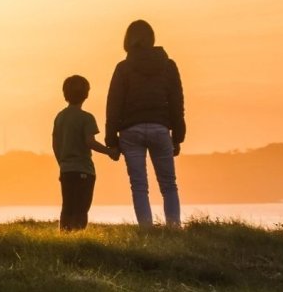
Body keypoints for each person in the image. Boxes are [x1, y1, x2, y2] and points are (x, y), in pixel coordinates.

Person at [105, 20, 185, 228]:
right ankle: (174, 228)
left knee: (139, 186)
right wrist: (178, 136)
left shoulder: (123, 68)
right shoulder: (168, 66)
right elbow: (177, 101)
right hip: (160, 128)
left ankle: (147, 230)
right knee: (169, 185)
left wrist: (111, 140)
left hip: (130, 131)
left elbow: (114, 104)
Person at [52, 75, 119, 231]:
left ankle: (64, 235)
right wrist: (109, 151)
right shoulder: (86, 118)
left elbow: (55, 144)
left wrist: (61, 162)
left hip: (66, 169)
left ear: (64, 94)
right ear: (86, 94)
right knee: (81, 207)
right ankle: (79, 236)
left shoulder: (60, 117)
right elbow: (90, 142)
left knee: (67, 206)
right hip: (84, 169)